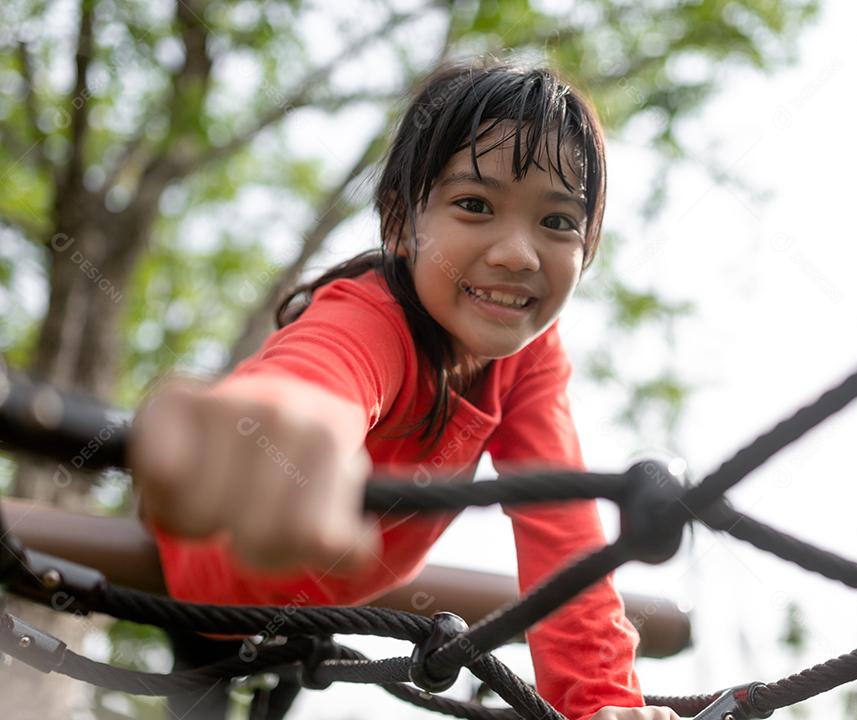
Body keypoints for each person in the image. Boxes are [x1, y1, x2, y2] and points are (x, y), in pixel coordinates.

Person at [129, 57, 678, 720]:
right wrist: (287, 416)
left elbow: (563, 530)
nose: (517, 253)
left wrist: (602, 703)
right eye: (474, 205)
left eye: (557, 222)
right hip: (211, 586)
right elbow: (322, 373)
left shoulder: (529, 360)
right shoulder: (371, 314)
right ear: (399, 225)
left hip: (315, 611)